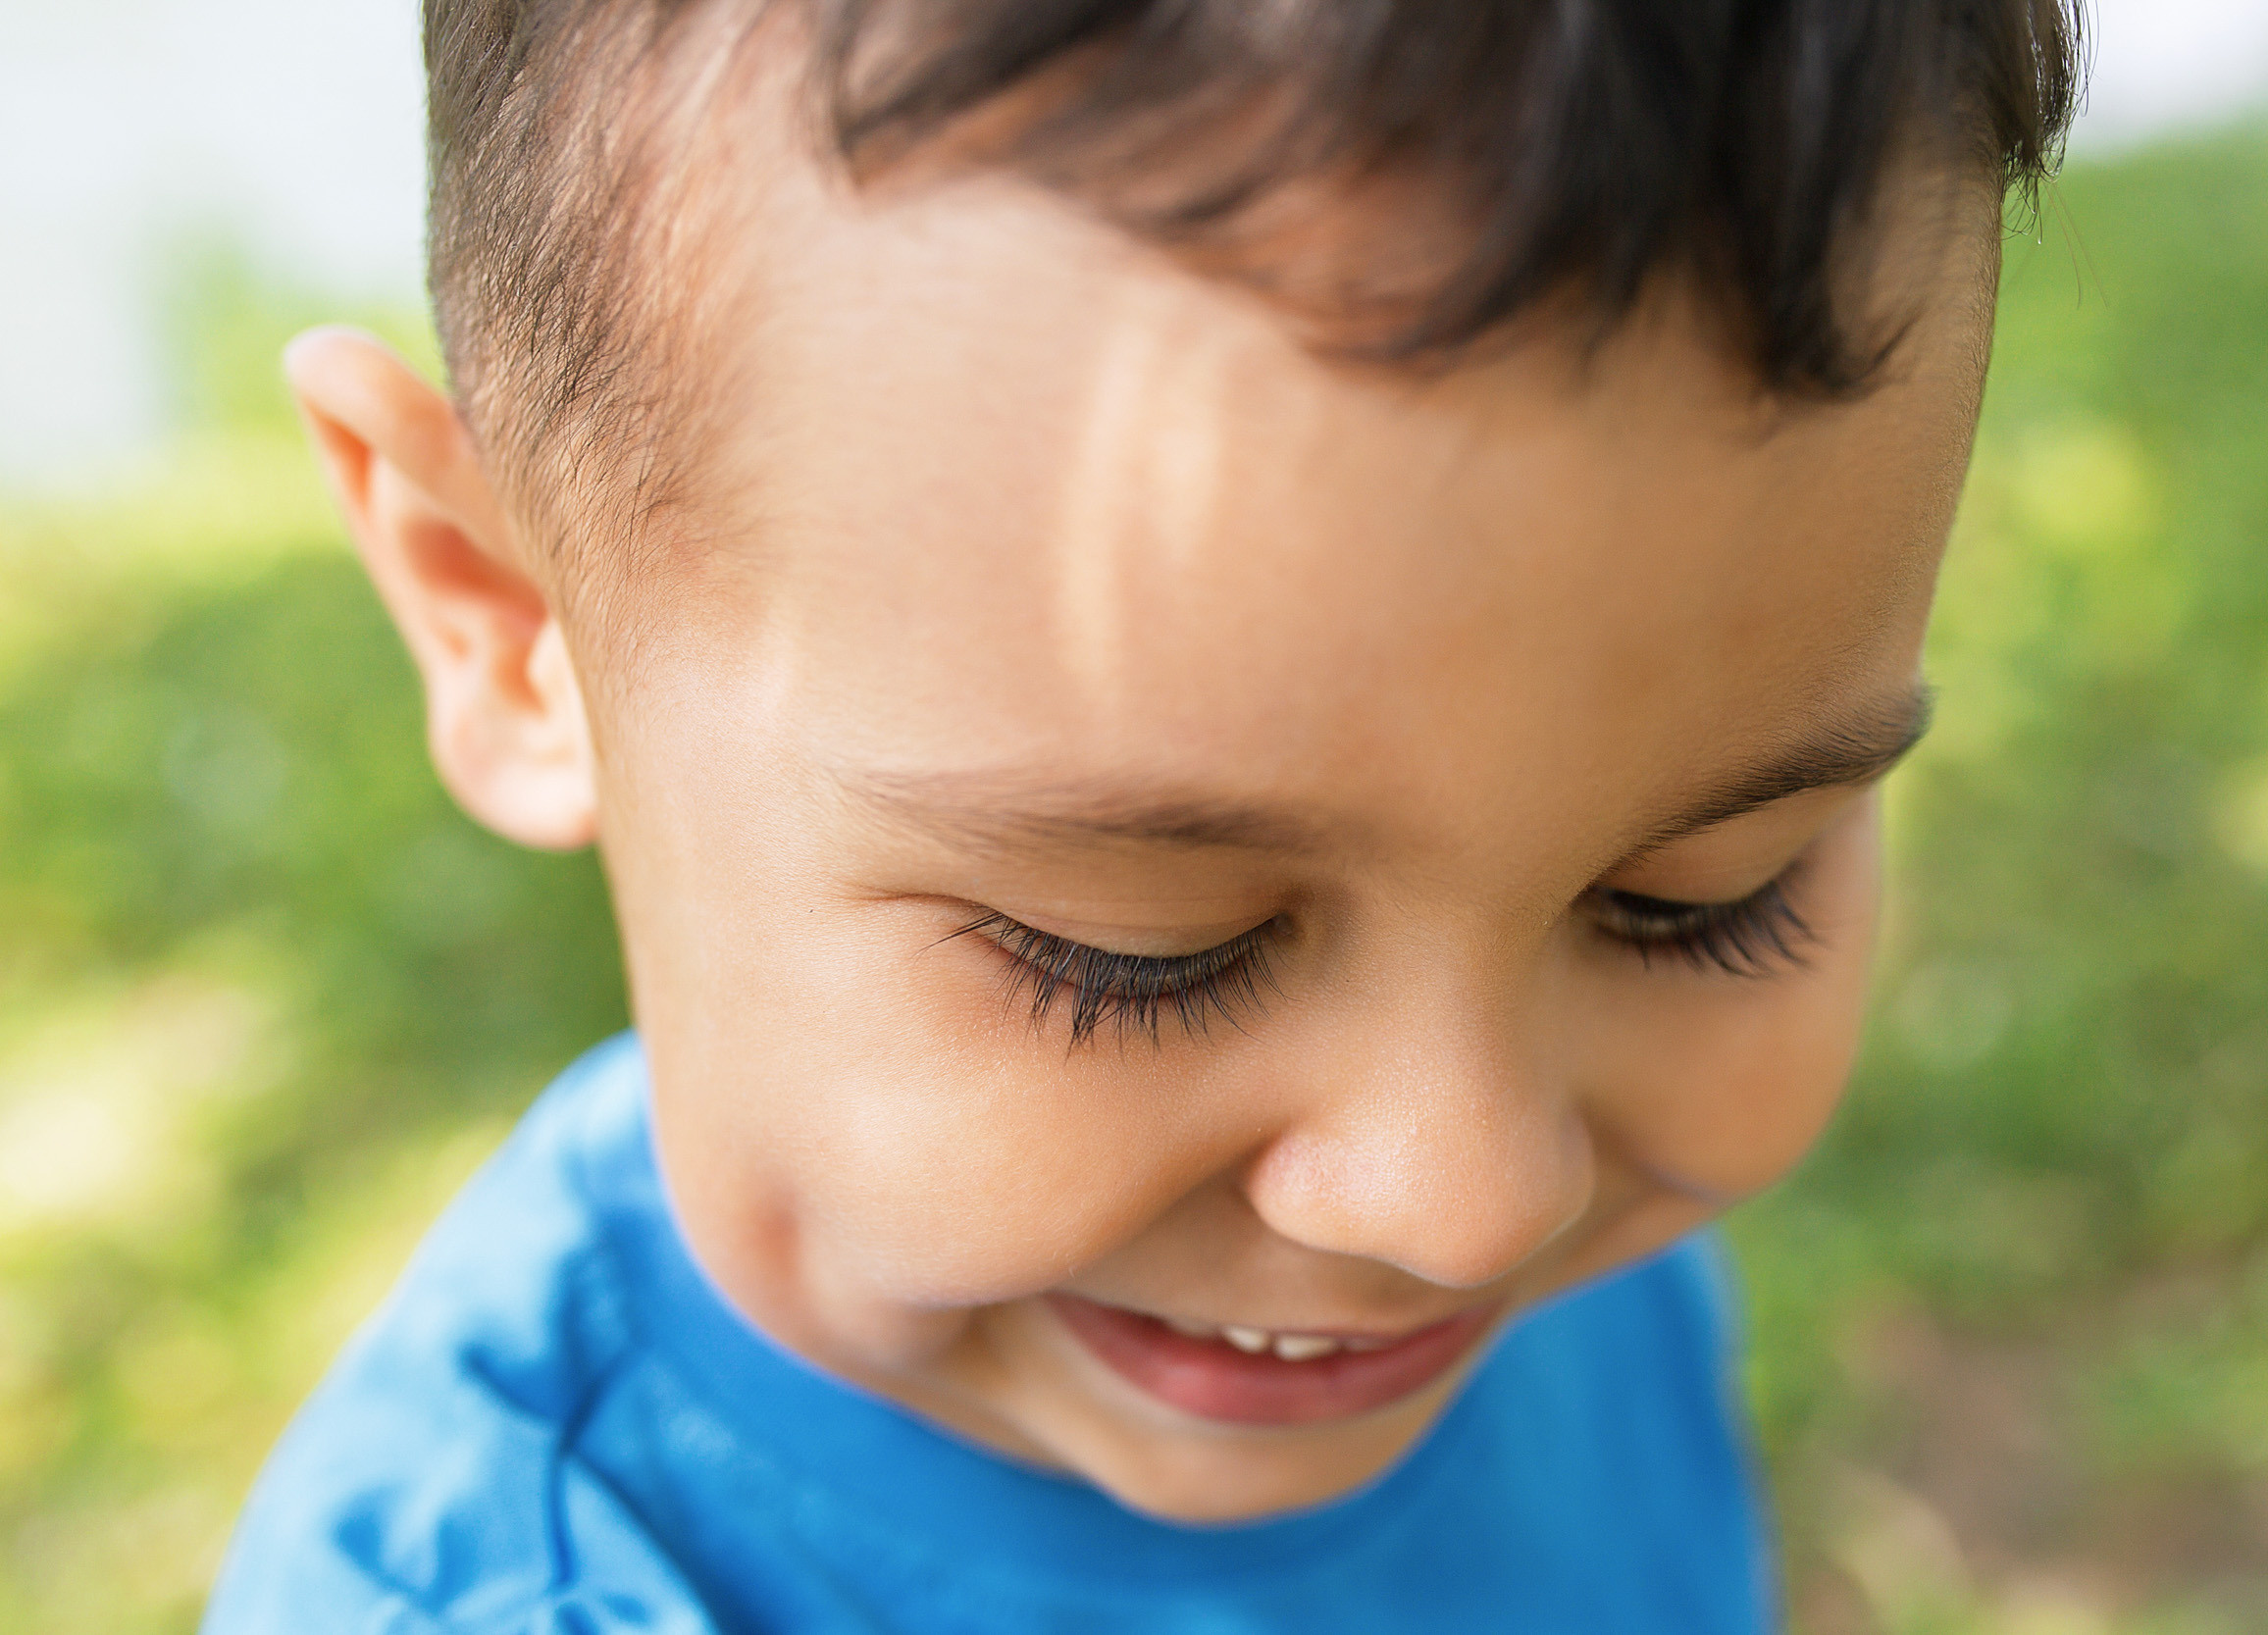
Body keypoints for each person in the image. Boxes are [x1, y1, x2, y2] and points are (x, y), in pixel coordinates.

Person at [203, 2, 2083, 1628]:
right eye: (1132, 956)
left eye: (1699, 904)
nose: (1470, 1200)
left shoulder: (1523, 1262)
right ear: (512, 622)